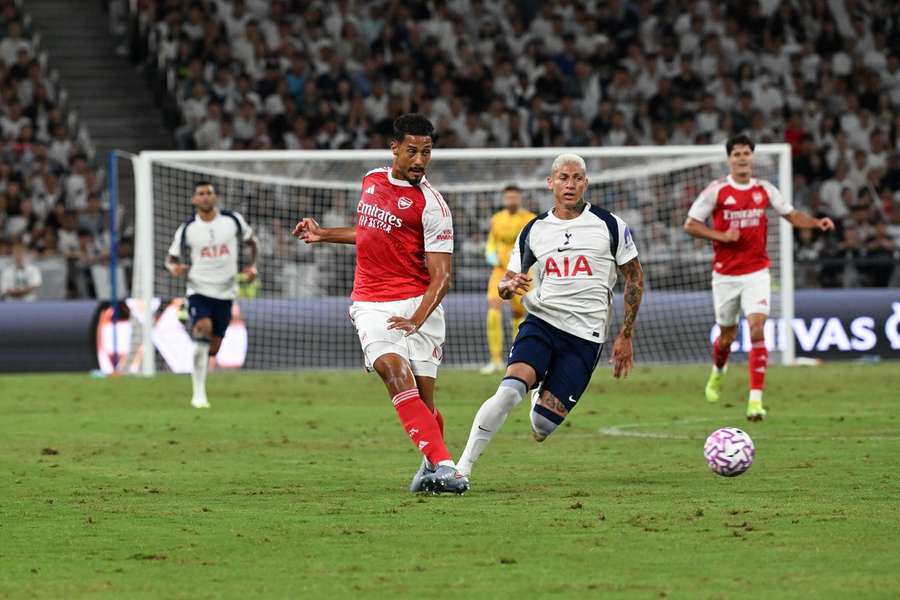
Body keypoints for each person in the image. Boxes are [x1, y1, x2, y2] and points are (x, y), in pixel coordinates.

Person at [292, 114, 468, 494]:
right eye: (412, 151)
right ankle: (447, 467)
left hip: (419, 305)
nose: (419, 160)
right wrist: (324, 233)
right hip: (372, 302)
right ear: (394, 149)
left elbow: (442, 277)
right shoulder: (371, 180)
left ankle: (430, 466)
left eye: (426, 152)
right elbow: (371, 232)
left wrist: (417, 319)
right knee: (393, 370)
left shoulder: (433, 207)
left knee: (424, 404)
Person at [456, 154, 644, 481]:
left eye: (577, 178)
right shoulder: (534, 229)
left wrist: (626, 335)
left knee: (542, 426)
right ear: (550, 182)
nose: (570, 184)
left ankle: (540, 397)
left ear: (586, 183)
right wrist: (506, 286)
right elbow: (507, 282)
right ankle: (462, 469)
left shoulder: (610, 224)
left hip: (585, 336)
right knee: (509, 391)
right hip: (542, 322)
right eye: (563, 178)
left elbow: (635, 277)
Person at [684, 134, 834, 421]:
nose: (742, 158)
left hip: (756, 272)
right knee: (726, 338)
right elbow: (691, 224)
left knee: (756, 329)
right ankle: (718, 371)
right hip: (725, 275)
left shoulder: (764, 189)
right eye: (737, 154)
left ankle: (755, 401)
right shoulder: (717, 191)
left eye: (746, 153)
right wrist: (721, 236)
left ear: (752, 157)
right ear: (729, 159)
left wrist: (816, 222)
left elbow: (791, 214)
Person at [165, 181, 258, 408]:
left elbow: (252, 242)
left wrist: (252, 266)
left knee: (213, 348)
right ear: (194, 199)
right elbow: (170, 258)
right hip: (198, 289)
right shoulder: (187, 229)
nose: (205, 197)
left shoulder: (232, 220)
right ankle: (198, 394)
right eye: (201, 193)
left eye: (209, 193)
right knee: (203, 328)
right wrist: (173, 268)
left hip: (226, 292)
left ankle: (200, 355)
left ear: (215, 197)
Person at [480, 184, 535, 374]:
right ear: (504, 199)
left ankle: (516, 358)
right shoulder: (497, 219)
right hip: (500, 271)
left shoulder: (530, 219)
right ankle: (495, 360)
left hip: (522, 273)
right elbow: (491, 242)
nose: (511, 200)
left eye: (514, 197)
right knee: (493, 309)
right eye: (508, 197)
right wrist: (490, 254)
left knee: (518, 315)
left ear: (520, 199)